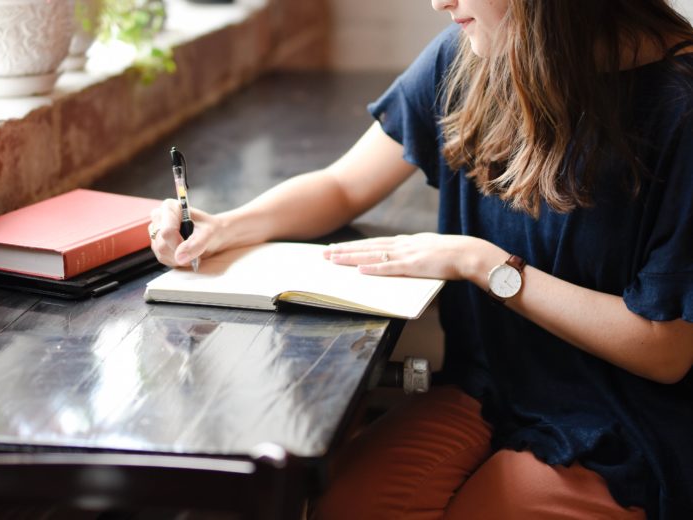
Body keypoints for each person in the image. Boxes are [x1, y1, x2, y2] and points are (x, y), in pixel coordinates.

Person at [149, 0, 693, 518]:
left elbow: (665, 350)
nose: (439, 4)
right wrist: (225, 226)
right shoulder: (472, 54)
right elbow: (343, 184)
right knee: (347, 506)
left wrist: (483, 263)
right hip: (489, 386)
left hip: (629, 420)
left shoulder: (681, 106)